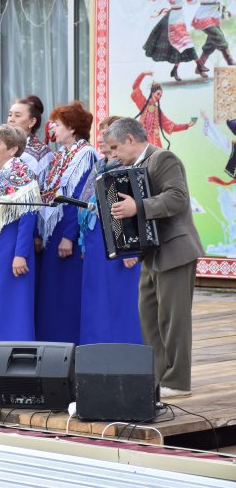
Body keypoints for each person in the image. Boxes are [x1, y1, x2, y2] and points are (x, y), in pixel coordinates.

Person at [106, 117, 203, 398]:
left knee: (174, 319)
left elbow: (177, 198)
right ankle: (159, 376)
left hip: (175, 249)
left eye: (115, 148)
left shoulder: (163, 158)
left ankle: (178, 380)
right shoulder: (134, 167)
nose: (113, 155)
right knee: (149, 316)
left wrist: (138, 206)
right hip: (152, 253)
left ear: (130, 140)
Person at [0, 125, 41, 369]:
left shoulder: (23, 174)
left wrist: (20, 255)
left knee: (12, 308)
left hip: (10, 251)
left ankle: (17, 364)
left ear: (13, 149)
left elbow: (28, 217)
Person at [36, 101, 97, 344]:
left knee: (66, 291)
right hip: (51, 228)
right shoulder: (59, 155)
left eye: (58, 124)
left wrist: (68, 236)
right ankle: (51, 342)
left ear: (72, 128)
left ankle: (68, 343)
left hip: (65, 230)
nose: (52, 127)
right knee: (52, 292)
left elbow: (79, 197)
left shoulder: (85, 155)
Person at [77, 117, 142, 345]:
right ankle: (95, 349)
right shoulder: (99, 166)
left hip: (121, 242)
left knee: (120, 300)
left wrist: (132, 250)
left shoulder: (129, 167)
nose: (103, 139)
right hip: (97, 240)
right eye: (102, 133)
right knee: (96, 299)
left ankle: (126, 352)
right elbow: (86, 204)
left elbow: (136, 209)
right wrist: (84, 240)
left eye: (109, 136)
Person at [143, 0, 204, 81]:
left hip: (180, 17)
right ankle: (199, 65)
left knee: (180, 46)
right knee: (186, 42)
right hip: (173, 19)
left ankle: (175, 70)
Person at [192, 0, 235, 75]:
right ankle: (230, 59)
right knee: (218, 35)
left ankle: (199, 66)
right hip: (203, 14)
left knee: (211, 41)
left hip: (214, 14)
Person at [131, 71, 197, 148]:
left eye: (160, 96)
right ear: (152, 93)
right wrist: (143, 74)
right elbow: (135, 87)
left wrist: (187, 125)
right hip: (141, 140)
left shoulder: (158, 112)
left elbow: (169, 126)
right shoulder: (143, 103)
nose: (159, 97)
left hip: (154, 142)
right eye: (158, 94)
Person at [7, 95, 54, 184]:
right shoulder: (1, 145)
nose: (11, 120)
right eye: (10, 115)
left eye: (17, 116)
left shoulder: (42, 152)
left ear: (32, 122)